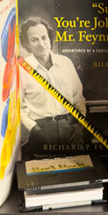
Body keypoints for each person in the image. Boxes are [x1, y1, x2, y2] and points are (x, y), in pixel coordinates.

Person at [18, 17, 87, 154]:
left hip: (71, 128)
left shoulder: (65, 62)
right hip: (42, 132)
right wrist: (35, 131)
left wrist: (80, 127)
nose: (41, 43)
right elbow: (19, 108)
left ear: (50, 38)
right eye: (34, 40)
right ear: (27, 44)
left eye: (44, 37)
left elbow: (78, 97)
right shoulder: (21, 69)